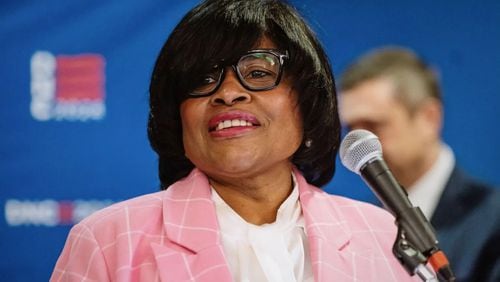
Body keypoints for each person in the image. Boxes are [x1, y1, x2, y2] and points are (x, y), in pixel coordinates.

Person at [51, 1, 420, 281]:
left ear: (306, 101)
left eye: (258, 72)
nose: (228, 93)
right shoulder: (108, 241)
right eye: (202, 79)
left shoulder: (384, 236)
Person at [338, 46, 500, 282]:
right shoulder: (360, 226)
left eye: (374, 125)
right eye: (351, 128)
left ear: (429, 118)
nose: (362, 140)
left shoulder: (492, 217)